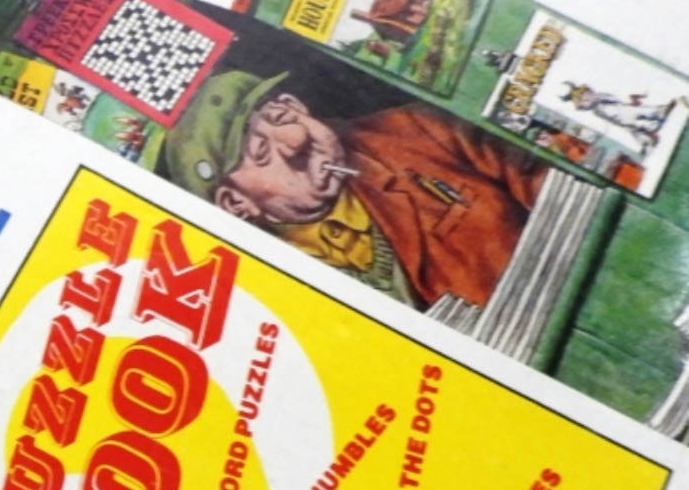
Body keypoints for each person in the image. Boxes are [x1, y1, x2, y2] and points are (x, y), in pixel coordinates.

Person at [162, 70, 548, 310]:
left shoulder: (418, 131)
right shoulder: (275, 293)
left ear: (293, 104)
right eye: (262, 153)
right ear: (235, 203)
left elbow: (551, 168)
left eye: (281, 117)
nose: (295, 140)